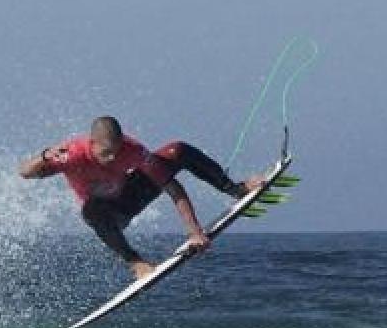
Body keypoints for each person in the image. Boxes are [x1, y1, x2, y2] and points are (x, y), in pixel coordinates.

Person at [19, 116, 263, 279]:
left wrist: (194, 231)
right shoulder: (70, 155)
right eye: (106, 153)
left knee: (178, 150)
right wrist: (44, 156)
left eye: (117, 151)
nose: (113, 158)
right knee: (91, 210)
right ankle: (136, 263)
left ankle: (236, 189)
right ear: (91, 143)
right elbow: (25, 172)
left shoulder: (133, 150)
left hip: (131, 197)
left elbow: (172, 187)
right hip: (107, 214)